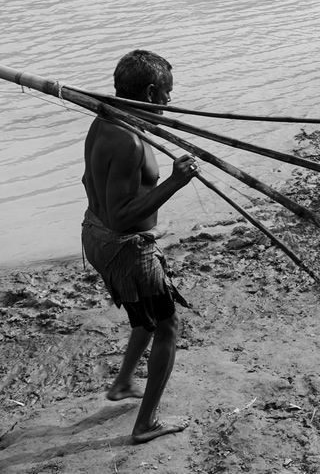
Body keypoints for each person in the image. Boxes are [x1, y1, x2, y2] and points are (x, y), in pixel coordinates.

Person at [81, 50, 198, 444]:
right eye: (166, 94)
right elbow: (121, 217)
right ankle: (145, 424)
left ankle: (122, 384)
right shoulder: (129, 141)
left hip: (93, 234)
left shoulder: (104, 118)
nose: (168, 102)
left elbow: (87, 182)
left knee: (145, 317)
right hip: (124, 246)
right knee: (167, 327)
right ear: (149, 92)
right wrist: (175, 182)